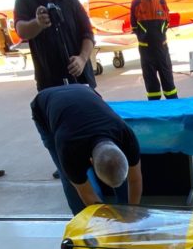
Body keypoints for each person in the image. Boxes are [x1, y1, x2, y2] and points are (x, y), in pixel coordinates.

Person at [14, 0, 97, 179]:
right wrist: (37, 23)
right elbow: (21, 30)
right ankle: (67, 166)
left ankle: (95, 161)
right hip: (50, 82)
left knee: (90, 122)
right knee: (59, 129)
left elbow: (88, 34)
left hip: (80, 77)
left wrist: (82, 58)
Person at [30, 84, 143, 215]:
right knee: (70, 179)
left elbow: (135, 180)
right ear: (91, 161)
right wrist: (106, 221)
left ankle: (124, 210)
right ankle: (81, 217)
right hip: (44, 105)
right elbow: (86, 193)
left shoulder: (126, 135)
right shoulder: (68, 148)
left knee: (115, 172)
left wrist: (132, 213)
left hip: (84, 92)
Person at [130, 0, 178, 100]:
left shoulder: (162, 1)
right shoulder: (136, 3)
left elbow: (167, 23)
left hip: (162, 51)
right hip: (147, 53)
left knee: (170, 87)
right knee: (152, 90)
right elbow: (134, 27)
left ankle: (175, 110)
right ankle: (155, 111)